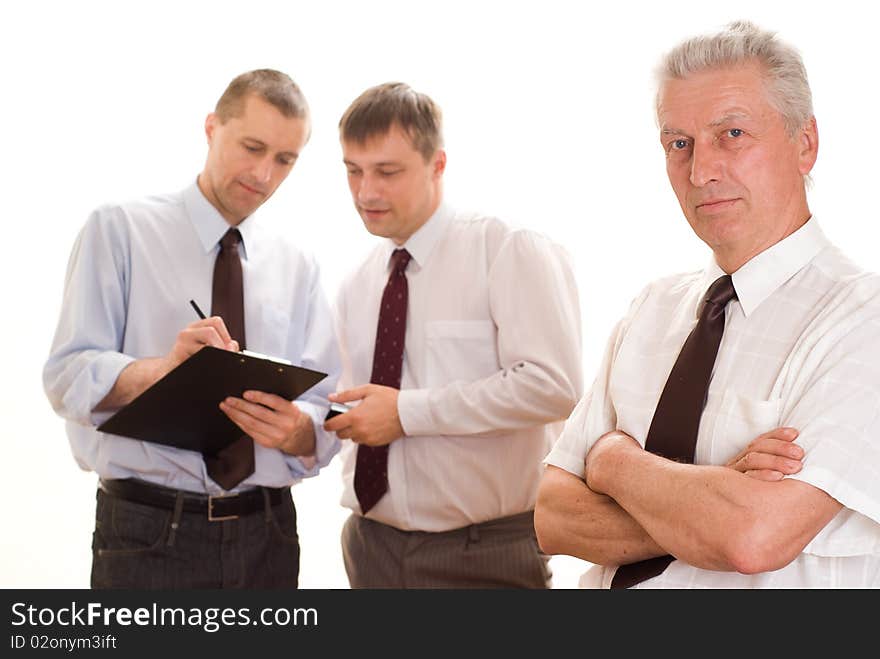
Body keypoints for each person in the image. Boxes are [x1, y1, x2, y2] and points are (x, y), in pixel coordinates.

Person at [534, 20, 880, 588]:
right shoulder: (651, 308)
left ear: (806, 144)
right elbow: (553, 518)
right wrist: (711, 497)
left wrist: (612, 462)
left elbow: (752, 537)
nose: (700, 171)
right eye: (679, 144)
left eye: (733, 134)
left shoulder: (862, 321)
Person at [43, 69, 341, 589]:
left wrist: (299, 431)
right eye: (252, 147)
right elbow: (67, 376)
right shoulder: (119, 230)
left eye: (284, 160)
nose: (264, 174)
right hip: (148, 532)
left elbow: (327, 399)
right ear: (211, 128)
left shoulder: (299, 265)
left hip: (268, 533)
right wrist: (163, 370)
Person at [323, 82, 583, 589]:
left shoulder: (508, 248)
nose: (365, 192)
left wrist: (406, 413)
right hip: (369, 548)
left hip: (483, 554)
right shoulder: (358, 282)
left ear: (438, 164)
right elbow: (359, 409)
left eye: (387, 172)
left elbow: (553, 386)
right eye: (353, 170)